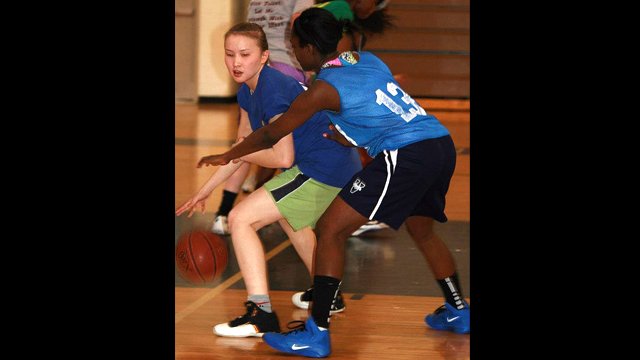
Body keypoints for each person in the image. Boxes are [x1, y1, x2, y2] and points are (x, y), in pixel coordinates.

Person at [196, 8, 469, 357]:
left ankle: (317, 332)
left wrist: (227, 155)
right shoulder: (362, 58)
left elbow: (271, 134)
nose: (292, 51)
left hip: (406, 154)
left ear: (309, 48)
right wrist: (355, 138)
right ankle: (458, 310)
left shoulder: (322, 89)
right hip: (439, 144)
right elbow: (380, 105)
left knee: (330, 230)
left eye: (294, 45)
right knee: (422, 231)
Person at [176, 22, 362, 338]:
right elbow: (242, 147)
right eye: (230, 54)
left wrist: (243, 155)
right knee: (292, 218)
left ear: (263, 57)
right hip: (333, 163)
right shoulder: (247, 90)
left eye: (245, 54)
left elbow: (281, 159)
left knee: (241, 219)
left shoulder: (273, 89)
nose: (236, 62)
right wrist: (203, 192)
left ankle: (261, 314)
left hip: (325, 166)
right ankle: (328, 295)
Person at [212, 0, 316, 236]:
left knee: (246, 140)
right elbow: (299, 24)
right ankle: (268, 204)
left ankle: (223, 212)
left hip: (256, 70)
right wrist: (312, 68)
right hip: (285, 67)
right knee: (285, 146)